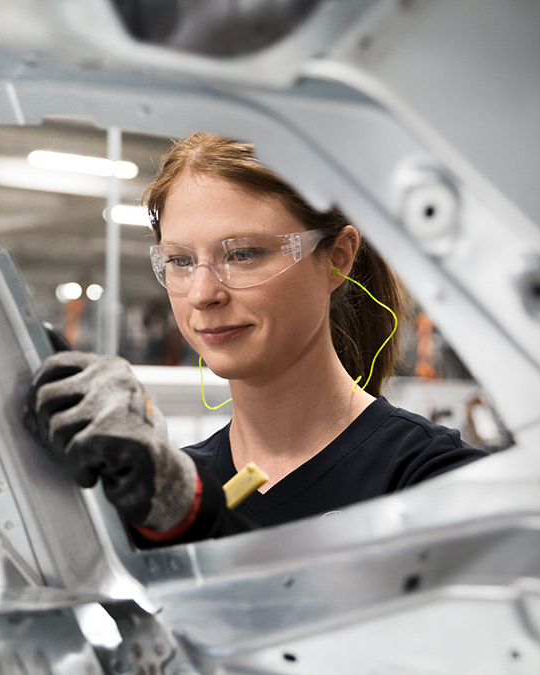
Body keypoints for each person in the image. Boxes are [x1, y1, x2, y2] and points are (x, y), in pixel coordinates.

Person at [24, 133, 487, 547]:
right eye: (180, 261)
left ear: (338, 259)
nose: (202, 294)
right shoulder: (162, 484)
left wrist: (185, 514)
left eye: (243, 254)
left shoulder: (434, 481)